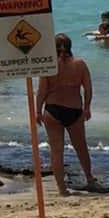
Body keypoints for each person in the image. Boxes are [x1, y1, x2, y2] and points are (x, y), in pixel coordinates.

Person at [36, 34, 95, 194]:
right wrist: (87, 107)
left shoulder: (49, 65)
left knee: (56, 151)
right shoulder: (80, 64)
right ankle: (89, 178)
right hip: (74, 110)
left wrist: (38, 111)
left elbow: (41, 92)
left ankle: (62, 188)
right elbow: (88, 88)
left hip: (53, 110)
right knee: (81, 147)